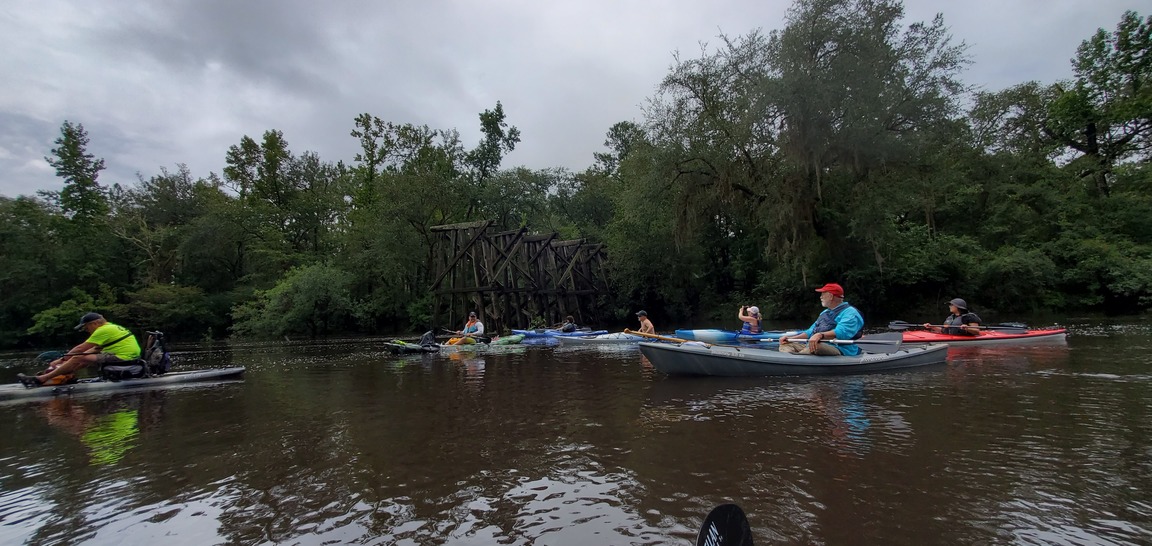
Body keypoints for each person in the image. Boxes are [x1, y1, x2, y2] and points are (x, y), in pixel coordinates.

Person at [18, 312, 141, 387]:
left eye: (86, 326)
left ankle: (42, 379)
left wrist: (60, 360)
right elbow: (92, 350)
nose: (86, 330)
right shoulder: (112, 327)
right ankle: (64, 376)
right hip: (125, 355)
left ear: (95, 323)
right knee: (81, 358)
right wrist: (65, 362)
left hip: (123, 357)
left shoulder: (102, 330)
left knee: (78, 357)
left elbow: (80, 348)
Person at [779, 283, 864, 356]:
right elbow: (810, 331)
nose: (820, 297)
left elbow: (841, 332)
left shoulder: (850, 313)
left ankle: (798, 360)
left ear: (830, 296)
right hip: (814, 345)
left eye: (823, 294)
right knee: (786, 345)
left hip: (841, 348)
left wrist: (820, 335)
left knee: (817, 346)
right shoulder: (824, 313)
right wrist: (792, 338)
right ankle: (791, 360)